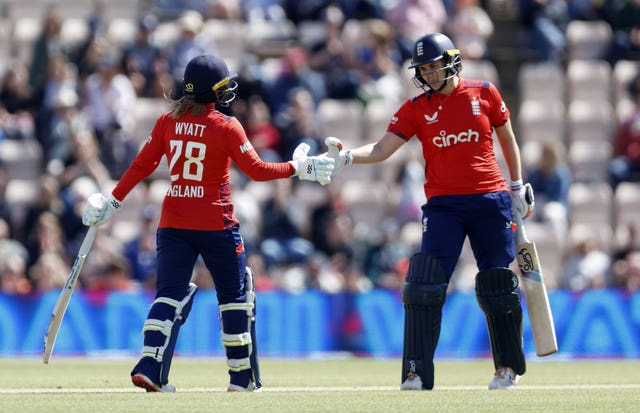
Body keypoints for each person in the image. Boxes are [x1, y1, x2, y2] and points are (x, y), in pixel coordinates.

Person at [81, 54, 334, 393]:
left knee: (168, 294)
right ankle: (240, 378)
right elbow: (257, 170)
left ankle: (149, 365)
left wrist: (112, 200)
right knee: (235, 297)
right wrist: (296, 167)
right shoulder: (226, 125)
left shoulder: (167, 122)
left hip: (173, 223)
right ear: (210, 91)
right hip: (216, 224)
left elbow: (141, 166)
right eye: (222, 85)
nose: (227, 90)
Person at [324, 33, 535, 390]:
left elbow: (508, 139)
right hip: (443, 206)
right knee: (423, 285)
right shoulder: (416, 107)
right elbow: (381, 148)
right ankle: (416, 372)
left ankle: (506, 369)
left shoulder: (484, 93)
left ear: (451, 61)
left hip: (490, 199)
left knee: (497, 284)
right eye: (424, 70)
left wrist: (517, 185)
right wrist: (345, 156)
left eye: (435, 67)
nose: (431, 75)